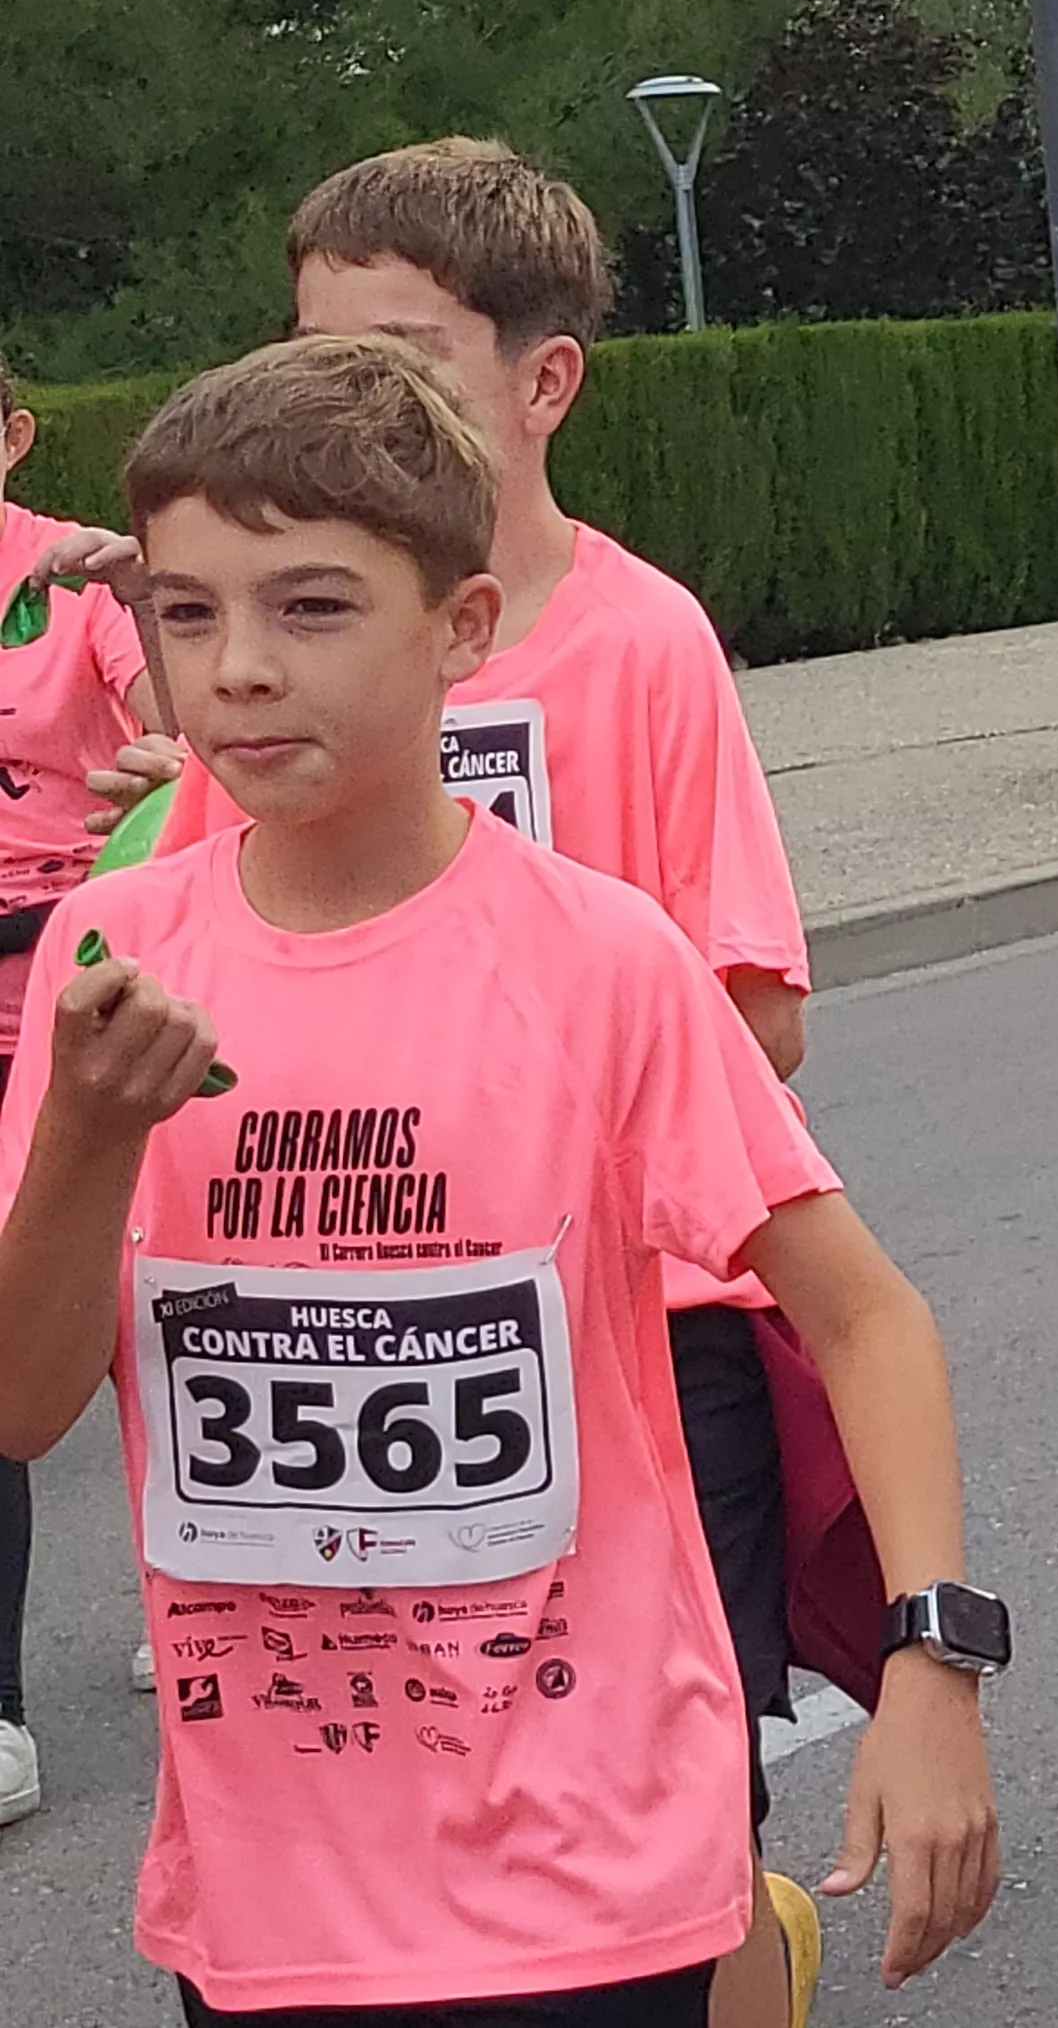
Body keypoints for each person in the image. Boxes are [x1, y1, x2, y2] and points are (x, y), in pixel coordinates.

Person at [0, 333, 998, 2026]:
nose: (235, 668)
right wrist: (90, 1135)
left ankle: (744, 1946)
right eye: (185, 610)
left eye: (310, 606)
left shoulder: (599, 956)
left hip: (590, 1865)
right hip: (270, 1888)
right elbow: (23, 1409)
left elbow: (865, 1311)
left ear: (461, 629)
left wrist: (935, 1660)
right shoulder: (119, 952)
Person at [124, 140, 836, 2028]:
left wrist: (538, 1050)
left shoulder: (641, 638)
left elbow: (751, 1006)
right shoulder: (263, 662)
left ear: (541, 383)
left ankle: (723, 1949)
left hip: (638, 1305)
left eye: (407, 361)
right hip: (341, 1299)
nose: (353, 400)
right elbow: (225, 961)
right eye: (315, 350)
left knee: (693, 1781)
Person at [0, 348, 179, 1832]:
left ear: (13, 437)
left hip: (71, 979)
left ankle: (193, 1578)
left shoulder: (67, 578)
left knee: (130, 1304)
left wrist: (133, 601)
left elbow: (175, 745)